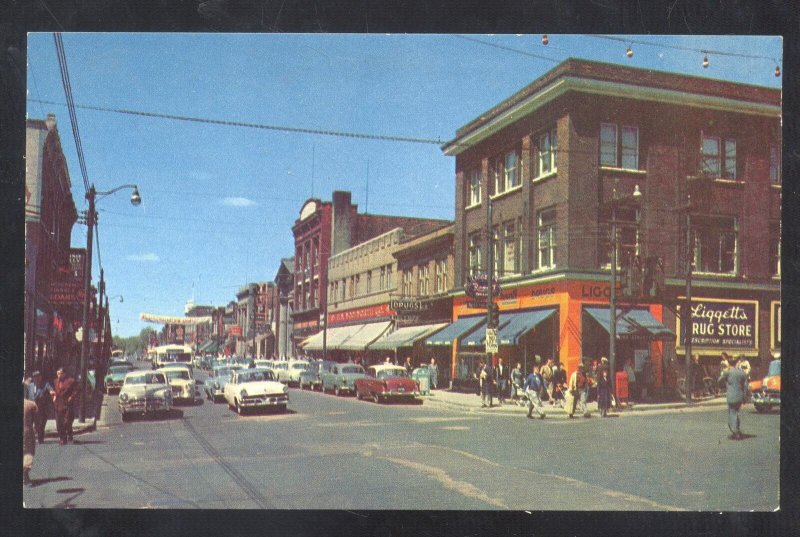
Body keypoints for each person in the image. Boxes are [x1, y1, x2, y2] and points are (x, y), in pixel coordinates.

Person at [719, 354, 748, 440]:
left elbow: (719, 380)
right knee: (735, 412)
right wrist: (745, 396)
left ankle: (735, 432)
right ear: (736, 363)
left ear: (729, 363)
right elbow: (746, 386)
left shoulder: (727, 372)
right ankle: (737, 429)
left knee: (732, 412)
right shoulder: (742, 373)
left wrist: (724, 384)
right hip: (739, 395)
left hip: (731, 395)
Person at [52, 366, 78, 445]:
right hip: (58, 404)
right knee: (59, 423)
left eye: (60, 373)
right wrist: (54, 396)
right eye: (57, 374)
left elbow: (77, 390)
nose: (59, 375)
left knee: (66, 422)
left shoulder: (71, 381)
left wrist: (71, 397)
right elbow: (54, 391)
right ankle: (62, 438)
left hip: (67, 404)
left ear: (64, 374)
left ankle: (67, 435)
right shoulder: (55, 381)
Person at [26, 371, 53, 444]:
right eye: (35, 377)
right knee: (30, 424)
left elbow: (51, 390)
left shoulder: (45, 384)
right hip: (32, 409)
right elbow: (27, 396)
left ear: (41, 377)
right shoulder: (30, 386)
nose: (37, 378)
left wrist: (52, 393)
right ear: (33, 378)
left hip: (42, 409)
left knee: (41, 425)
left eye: (38, 376)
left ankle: (40, 438)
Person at [24, 383, 38, 486]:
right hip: (27, 432)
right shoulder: (31, 404)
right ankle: (25, 475)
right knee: (28, 453)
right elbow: (37, 420)